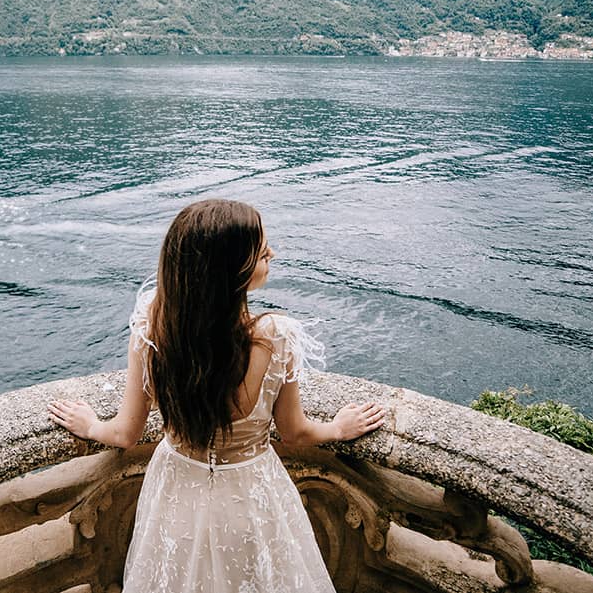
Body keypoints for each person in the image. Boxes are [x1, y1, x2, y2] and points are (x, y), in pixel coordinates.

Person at [48, 199, 385, 592]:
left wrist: (89, 425)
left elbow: (124, 434)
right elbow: (295, 432)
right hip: (252, 495)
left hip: (175, 494)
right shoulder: (275, 337)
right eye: (261, 252)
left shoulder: (153, 330)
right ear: (231, 271)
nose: (272, 253)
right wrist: (339, 429)